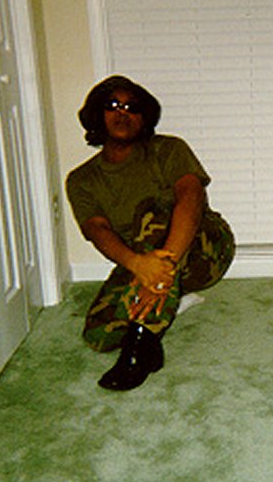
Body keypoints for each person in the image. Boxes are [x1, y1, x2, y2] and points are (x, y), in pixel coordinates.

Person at [65, 75, 235, 391]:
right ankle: (172, 300)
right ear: (96, 115)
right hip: (141, 261)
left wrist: (161, 271)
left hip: (204, 249)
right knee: (99, 335)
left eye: (132, 107)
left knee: (153, 213)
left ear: (144, 118)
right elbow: (97, 230)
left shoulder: (168, 149)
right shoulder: (81, 179)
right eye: (113, 105)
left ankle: (140, 346)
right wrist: (138, 265)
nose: (123, 113)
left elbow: (191, 199)